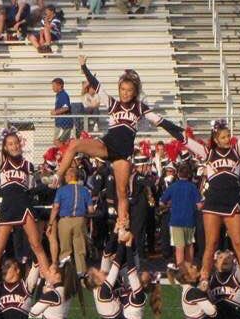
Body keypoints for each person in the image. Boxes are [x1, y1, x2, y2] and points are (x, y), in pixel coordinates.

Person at [149, 92, 240, 283]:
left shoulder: (237, 151)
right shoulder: (207, 152)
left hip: (232, 204)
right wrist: (160, 122)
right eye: (223, 136)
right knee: (210, 245)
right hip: (212, 204)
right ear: (216, 137)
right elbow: (182, 138)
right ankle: (204, 281)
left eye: (228, 135)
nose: (227, 138)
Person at [54, 55, 152, 238]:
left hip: (122, 153)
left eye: (129, 90)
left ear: (135, 92)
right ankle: (57, 176)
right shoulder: (113, 103)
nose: (125, 93)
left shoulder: (139, 108)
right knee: (74, 144)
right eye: (123, 89)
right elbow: (96, 84)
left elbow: (160, 121)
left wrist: (181, 136)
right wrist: (84, 66)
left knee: (122, 191)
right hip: (107, 146)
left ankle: (122, 225)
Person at [0, 118, 52, 295]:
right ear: (5, 147)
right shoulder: (2, 162)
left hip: (23, 205)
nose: (14, 146)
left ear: (20, 145)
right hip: (7, 207)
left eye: (16, 143)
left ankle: (49, 281)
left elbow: (30, 188)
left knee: (36, 244)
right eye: (10, 144)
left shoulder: (28, 165)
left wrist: (45, 182)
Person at [49, 166, 91, 274]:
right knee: (80, 249)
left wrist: (50, 223)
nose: (65, 177)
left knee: (65, 249)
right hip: (80, 220)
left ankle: (66, 273)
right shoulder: (85, 190)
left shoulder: (62, 190)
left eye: (67, 175)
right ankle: (81, 274)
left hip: (65, 221)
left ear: (72, 176)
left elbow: (56, 207)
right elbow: (90, 209)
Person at [160, 163, 200, 264]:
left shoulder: (173, 186)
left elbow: (161, 202)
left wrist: (170, 205)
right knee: (189, 245)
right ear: (189, 174)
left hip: (176, 221)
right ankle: (189, 268)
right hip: (190, 220)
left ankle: (181, 272)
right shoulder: (193, 187)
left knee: (179, 247)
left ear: (177, 174)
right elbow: (200, 205)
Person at [207, 251, 240, 319]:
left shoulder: (238, 275)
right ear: (215, 264)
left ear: (233, 262)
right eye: (220, 258)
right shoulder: (211, 278)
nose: (224, 259)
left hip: (235, 315)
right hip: (217, 315)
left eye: (228, 258)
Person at [50, 78, 74, 144]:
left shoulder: (63, 95)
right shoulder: (58, 95)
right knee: (59, 142)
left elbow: (66, 107)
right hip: (60, 123)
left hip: (64, 124)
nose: (52, 88)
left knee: (58, 142)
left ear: (60, 86)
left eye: (54, 86)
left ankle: (65, 154)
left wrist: (55, 112)